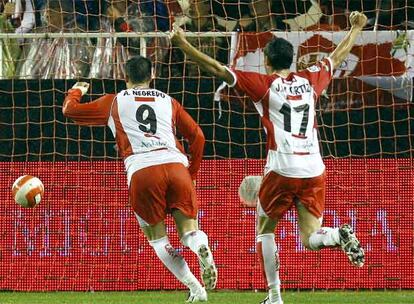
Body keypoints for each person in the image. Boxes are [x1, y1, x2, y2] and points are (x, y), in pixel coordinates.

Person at [170, 11, 367, 304]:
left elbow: (216, 68)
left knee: (265, 230)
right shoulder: (311, 78)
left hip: (282, 168)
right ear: (292, 59)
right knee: (311, 238)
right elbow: (337, 57)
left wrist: (183, 44)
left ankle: (274, 297)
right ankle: (337, 235)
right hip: (314, 167)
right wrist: (356, 28)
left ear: (267, 61)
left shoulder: (263, 84)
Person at [62, 56, 217, 303]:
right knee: (189, 230)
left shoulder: (113, 101)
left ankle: (196, 289)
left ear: (125, 78)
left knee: (158, 238)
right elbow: (198, 136)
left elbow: (70, 111)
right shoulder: (169, 101)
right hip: (177, 166)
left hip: (143, 170)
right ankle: (199, 243)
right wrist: (193, 174)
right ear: (151, 76)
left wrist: (75, 91)